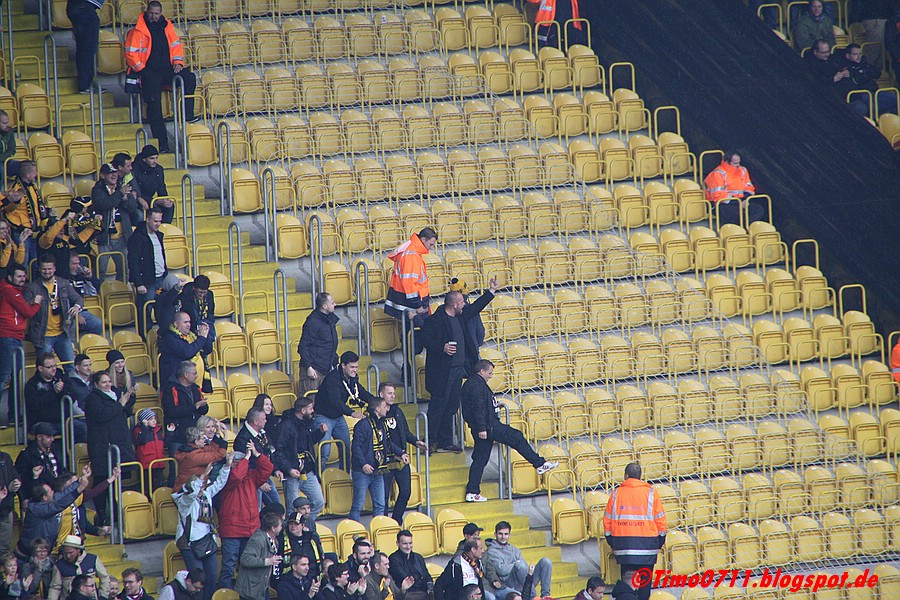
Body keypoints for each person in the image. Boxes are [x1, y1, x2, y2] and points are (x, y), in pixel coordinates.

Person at [462, 360, 557, 502]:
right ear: (482, 371)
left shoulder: (473, 383)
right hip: (488, 426)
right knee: (516, 436)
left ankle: (472, 491)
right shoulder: (476, 385)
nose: (491, 376)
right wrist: (482, 428)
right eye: (489, 373)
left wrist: (494, 405)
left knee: (480, 459)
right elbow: (477, 408)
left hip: (483, 426)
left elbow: (481, 405)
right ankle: (539, 464)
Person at [124, 1, 199, 154]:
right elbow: (130, 54)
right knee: (154, 106)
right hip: (149, 72)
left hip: (167, 69)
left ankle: (188, 114)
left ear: (161, 13)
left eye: (157, 14)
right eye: (151, 13)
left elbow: (176, 47)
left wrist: (178, 63)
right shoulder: (137, 31)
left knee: (189, 78)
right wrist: (142, 70)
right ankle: (162, 144)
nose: (154, 16)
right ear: (147, 12)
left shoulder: (167, 27)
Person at [603, 463, 667, 600]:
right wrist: (659, 541)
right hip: (647, 548)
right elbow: (661, 521)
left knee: (627, 589)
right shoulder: (651, 493)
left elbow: (607, 521)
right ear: (640, 476)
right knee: (644, 588)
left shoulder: (616, 494)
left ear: (626, 476)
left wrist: (612, 542)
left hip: (624, 547)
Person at [173, 456, 233, 600]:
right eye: (199, 485)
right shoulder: (184, 501)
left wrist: (227, 466)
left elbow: (220, 483)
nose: (201, 488)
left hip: (207, 541)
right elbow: (191, 493)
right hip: (189, 543)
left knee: (211, 576)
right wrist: (203, 475)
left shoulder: (206, 495)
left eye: (203, 485)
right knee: (197, 579)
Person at [218, 442, 274, 590]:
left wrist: (256, 454)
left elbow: (268, 468)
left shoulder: (251, 476)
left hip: (251, 530)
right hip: (232, 531)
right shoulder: (225, 476)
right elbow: (236, 476)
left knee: (251, 567)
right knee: (228, 569)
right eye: (239, 462)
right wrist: (247, 458)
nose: (244, 465)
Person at [84, 371, 136, 525]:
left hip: (118, 442)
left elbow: (125, 412)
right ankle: (102, 515)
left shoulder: (116, 394)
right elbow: (102, 415)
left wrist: (130, 399)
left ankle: (115, 515)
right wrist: (120, 404)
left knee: (115, 481)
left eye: (109, 381)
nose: (108, 385)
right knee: (102, 480)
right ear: (96, 384)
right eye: (104, 382)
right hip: (102, 446)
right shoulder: (93, 399)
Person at [421, 291, 469, 453]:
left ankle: (445, 441)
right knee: (438, 406)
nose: (464, 304)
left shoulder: (460, 317)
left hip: (457, 370)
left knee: (451, 406)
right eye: (461, 301)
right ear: (454, 304)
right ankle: (429, 440)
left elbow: (475, 309)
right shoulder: (435, 320)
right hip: (442, 372)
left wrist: (490, 293)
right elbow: (424, 339)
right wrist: (442, 347)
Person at [24, 255, 86, 374]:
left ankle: (72, 386)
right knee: (45, 370)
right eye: (44, 269)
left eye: (49, 269)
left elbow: (78, 299)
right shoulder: (33, 287)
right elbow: (23, 307)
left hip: (63, 333)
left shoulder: (63, 283)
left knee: (71, 368)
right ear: (39, 269)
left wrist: (77, 307)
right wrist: (32, 302)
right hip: (43, 336)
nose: (47, 271)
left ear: (54, 269)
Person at [350, 396, 407, 522]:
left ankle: (378, 529)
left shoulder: (382, 424)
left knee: (380, 505)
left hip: (378, 470)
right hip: (362, 471)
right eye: (384, 406)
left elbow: (388, 443)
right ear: (377, 409)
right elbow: (355, 447)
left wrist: (401, 453)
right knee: (358, 505)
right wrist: (363, 464)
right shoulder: (362, 425)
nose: (387, 409)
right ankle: (354, 530)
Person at [315, 351, 375, 470]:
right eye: (352, 367)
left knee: (347, 449)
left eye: (356, 367)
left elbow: (360, 391)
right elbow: (335, 401)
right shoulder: (332, 379)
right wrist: (352, 413)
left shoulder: (353, 377)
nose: (355, 370)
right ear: (343, 365)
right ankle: (318, 477)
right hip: (323, 416)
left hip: (338, 417)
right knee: (325, 452)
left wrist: (376, 402)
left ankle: (345, 475)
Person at [272, 396, 327, 524]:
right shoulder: (285, 426)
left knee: (318, 502)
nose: (313, 411)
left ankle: (305, 525)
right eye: (310, 408)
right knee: (292, 509)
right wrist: (288, 469)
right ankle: (292, 529)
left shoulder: (307, 423)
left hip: (307, 471)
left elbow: (309, 442)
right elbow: (278, 451)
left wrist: (320, 433)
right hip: (292, 473)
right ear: (303, 410)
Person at [0, 264, 43, 425]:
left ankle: (14, 415)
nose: (22, 279)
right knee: (4, 377)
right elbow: (28, 312)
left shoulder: (14, 290)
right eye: (19, 276)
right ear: (10, 277)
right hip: (8, 337)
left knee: (15, 378)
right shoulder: (9, 290)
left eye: (24, 276)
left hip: (14, 338)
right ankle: (13, 415)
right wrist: (36, 303)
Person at [380, 382, 427, 523]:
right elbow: (384, 440)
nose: (393, 396)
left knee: (406, 492)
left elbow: (405, 431)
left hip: (401, 459)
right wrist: (399, 453)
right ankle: (384, 524)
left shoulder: (398, 411)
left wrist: (416, 441)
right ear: (381, 394)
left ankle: (396, 520)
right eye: (389, 393)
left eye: (394, 393)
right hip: (385, 461)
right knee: (383, 496)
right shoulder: (377, 413)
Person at [15, 474, 88, 560]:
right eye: (50, 491)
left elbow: (63, 494)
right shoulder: (37, 509)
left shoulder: (47, 501)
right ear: (45, 497)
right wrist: (78, 490)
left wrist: (78, 482)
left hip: (41, 553)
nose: (53, 492)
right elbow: (59, 506)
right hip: (27, 556)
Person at [51, 466, 116, 552]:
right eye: (76, 483)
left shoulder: (79, 502)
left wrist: (98, 531)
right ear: (65, 485)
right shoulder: (53, 504)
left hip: (77, 546)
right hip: (57, 549)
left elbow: (95, 492)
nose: (79, 485)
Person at [25, 353, 88, 442]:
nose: (54, 369)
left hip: (64, 420)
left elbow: (72, 398)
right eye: (49, 367)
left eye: (55, 366)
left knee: (83, 427)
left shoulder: (62, 378)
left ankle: (75, 450)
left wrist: (62, 391)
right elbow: (35, 405)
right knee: (46, 430)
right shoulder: (32, 384)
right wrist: (53, 392)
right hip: (42, 422)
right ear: (40, 368)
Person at [127, 207, 169, 335]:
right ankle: (145, 337)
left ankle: (162, 335)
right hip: (147, 280)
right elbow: (133, 261)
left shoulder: (159, 235)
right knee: (146, 309)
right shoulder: (137, 237)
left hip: (161, 278)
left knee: (163, 308)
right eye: (155, 221)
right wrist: (139, 283)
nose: (158, 224)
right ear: (147, 219)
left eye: (160, 221)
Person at [484, 522, 551, 600]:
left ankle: (546, 595)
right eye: (500, 534)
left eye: (506, 534)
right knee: (519, 565)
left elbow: (524, 568)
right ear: (495, 534)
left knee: (546, 562)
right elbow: (502, 570)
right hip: (509, 584)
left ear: (510, 535)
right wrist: (516, 563)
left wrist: (516, 565)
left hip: (524, 582)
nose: (503, 537)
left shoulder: (515, 549)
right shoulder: (491, 551)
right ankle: (533, 597)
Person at [447, 277, 499, 375]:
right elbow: (480, 331)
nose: (463, 304)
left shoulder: (443, 311)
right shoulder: (467, 311)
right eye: (461, 302)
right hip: (467, 355)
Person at [3, 161, 47, 270]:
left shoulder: (32, 187)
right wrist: (14, 202)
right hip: (22, 233)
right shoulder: (16, 189)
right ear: (27, 175)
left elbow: (35, 206)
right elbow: (8, 211)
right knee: (23, 263)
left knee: (34, 263)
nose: (36, 174)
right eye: (34, 172)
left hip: (33, 231)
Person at [233, 406, 280, 508]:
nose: (266, 421)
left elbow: (269, 451)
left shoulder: (262, 433)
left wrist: (275, 469)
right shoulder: (243, 439)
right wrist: (259, 483)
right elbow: (246, 464)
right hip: (253, 481)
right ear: (256, 421)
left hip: (264, 476)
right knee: (256, 509)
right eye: (263, 419)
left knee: (277, 507)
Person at [834, 43, 898, 117]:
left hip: (874, 92)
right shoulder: (844, 68)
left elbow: (877, 73)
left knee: (896, 99)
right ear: (848, 56)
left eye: (860, 54)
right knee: (867, 103)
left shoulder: (865, 64)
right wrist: (860, 74)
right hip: (860, 95)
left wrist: (861, 72)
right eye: (855, 54)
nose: (858, 57)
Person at [703, 151, 765, 226]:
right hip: (722, 204)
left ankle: (746, 227)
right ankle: (743, 228)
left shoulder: (743, 170)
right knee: (736, 214)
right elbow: (718, 196)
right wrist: (739, 202)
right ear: (727, 162)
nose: (738, 165)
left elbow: (749, 187)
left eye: (739, 162)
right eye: (735, 163)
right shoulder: (717, 174)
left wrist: (745, 199)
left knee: (758, 209)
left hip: (741, 201)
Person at [90, 164, 129, 282]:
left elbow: (132, 208)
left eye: (115, 172)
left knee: (124, 270)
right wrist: (120, 194)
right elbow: (104, 204)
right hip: (104, 237)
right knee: (100, 270)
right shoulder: (98, 190)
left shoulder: (121, 187)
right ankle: (99, 292)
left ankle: (122, 291)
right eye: (110, 173)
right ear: (102, 175)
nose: (113, 175)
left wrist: (126, 199)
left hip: (121, 237)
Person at [235, 511, 284, 600]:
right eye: (280, 525)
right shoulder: (258, 539)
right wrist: (268, 561)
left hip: (262, 587)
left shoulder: (274, 539)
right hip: (250, 589)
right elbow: (245, 559)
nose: (282, 527)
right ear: (273, 528)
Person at [160, 360, 208, 451]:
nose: (196, 376)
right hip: (178, 437)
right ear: (186, 374)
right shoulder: (170, 389)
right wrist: (194, 407)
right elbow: (170, 411)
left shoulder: (196, 388)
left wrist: (203, 406)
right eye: (194, 373)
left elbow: (203, 410)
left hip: (195, 437)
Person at [297, 292, 339, 395]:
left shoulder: (330, 320)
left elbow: (329, 345)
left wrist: (335, 362)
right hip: (313, 370)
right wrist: (308, 367)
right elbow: (303, 346)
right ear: (324, 306)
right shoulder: (313, 322)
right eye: (332, 303)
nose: (335, 304)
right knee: (311, 400)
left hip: (326, 368)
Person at [158, 313, 212, 391]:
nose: (189, 325)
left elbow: (207, 349)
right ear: (176, 324)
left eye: (189, 322)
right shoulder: (170, 338)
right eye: (185, 322)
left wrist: (206, 333)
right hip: (177, 388)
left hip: (195, 385)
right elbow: (188, 352)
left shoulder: (191, 335)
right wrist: (202, 338)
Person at [47, 535, 110, 600]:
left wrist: (103, 595)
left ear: (78, 550)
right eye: (65, 553)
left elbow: (104, 577)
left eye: (71, 553)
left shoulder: (93, 559)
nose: (68, 556)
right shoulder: (59, 565)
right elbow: (55, 587)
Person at [14, 422, 63, 505]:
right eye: (49, 437)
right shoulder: (26, 455)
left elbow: (61, 470)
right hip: (37, 498)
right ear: (39, 437)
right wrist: (24, 498)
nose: (52, 439)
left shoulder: (54, 451)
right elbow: (19, 478)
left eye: (52, 436)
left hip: (56, 493)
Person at [279, 499, 324, 581]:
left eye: (296, 524)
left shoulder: (312, 538)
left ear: (303, 525)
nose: (293, 527)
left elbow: (319, 557)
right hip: (291, 581)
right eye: (291, 524)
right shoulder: (283, 540)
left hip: (312, 578)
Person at [65, 0, 103, 93]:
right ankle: (86, 85)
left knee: (84, 48)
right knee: (87, 49)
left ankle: (86, 84)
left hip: (80, 7)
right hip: (85, 7)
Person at [172, 427, 227, 491]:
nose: (205, 440)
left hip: (189, 487)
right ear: (196, 441)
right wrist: (225, 439)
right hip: (188, 491)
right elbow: (219, 455)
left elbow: (211, 448)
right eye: (203, 438)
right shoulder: (194, 456)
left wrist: (217, 432)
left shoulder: (191, 449)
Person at [131, 146, 174, 224]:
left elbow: (161, 188)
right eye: (152, 158)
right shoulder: (134, 169)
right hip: (137, 201)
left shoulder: (158, 169)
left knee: (169, 206)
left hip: (151, 201)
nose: (155, 161)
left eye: (156, 158)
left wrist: (165, 200)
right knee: (140, 214)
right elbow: (136, 191)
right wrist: (156, 201)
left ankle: (164, 228)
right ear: (144, 159)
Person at [134, 408, 174, 488]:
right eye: (151, 419)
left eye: (154, 418)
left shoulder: (158, 430)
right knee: (147, 486)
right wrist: (144, 427)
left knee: (158, 485)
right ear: (144, 421)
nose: (154, 421)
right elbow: (141, 440)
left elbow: (165, 444)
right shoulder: (138, 430)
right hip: (147, 465)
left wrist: (169, 433)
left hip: (159, 463)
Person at [388, 530, 433, 600]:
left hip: (422, 592)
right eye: (405, 544)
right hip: (406, 594)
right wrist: (420, 578)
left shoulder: (418, 557)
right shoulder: (393, 558)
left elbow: (427, 575)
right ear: (397, 543)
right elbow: (405, 578)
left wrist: (430, 586)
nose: (408, 546)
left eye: (410, 543)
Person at [174, 276, 216, 345]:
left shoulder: (210, 295)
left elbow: (210, 313)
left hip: (205, 324)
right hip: (191, 326)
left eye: (204, 292)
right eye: (200, 292)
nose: (202, 295)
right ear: (194, 288)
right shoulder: (185, 297)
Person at [111, 153, 146, 228]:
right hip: (116, 208)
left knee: (139, 214)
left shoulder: (129, 174)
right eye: (128, 166)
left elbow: (136, 189)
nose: (131, 168)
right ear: (120, 167)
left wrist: (135, 193)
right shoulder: (111, 177)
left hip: (130, 205)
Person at [0, 447, 19, 551]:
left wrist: (16, 482)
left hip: (6, 509)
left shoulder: (5, 457)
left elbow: (15, 475)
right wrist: (8, 487)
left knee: (4, 548)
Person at [0, 111, 18, 179]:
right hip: (2, 163)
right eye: (4, 123)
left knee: (25, 167)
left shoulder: (9, 131)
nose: (8, 125)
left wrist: (4, 158)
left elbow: (12, 149)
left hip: (6, 160)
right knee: (1, 170)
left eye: (8, 122)